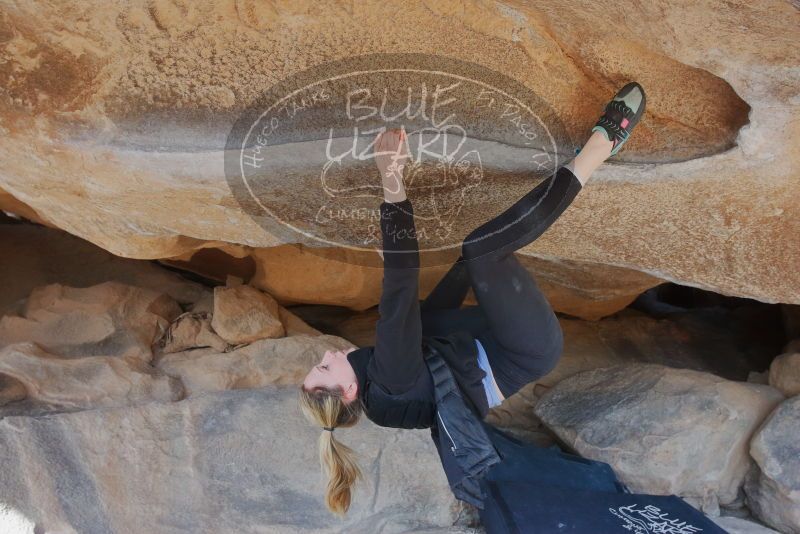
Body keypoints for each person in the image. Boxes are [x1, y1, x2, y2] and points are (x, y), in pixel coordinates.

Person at [299, 82, 647, 516]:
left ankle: (482, 251)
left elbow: (429, 318)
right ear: (348, 390)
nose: (328, 353)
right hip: (523, 350)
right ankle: (603, 143)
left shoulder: (383, 390)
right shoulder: (389, 378)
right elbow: (401, 286)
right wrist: (390, 175)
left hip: (489, 339)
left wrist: (465, 266)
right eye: (324, 366)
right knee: (484, 246)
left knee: (473, 255)